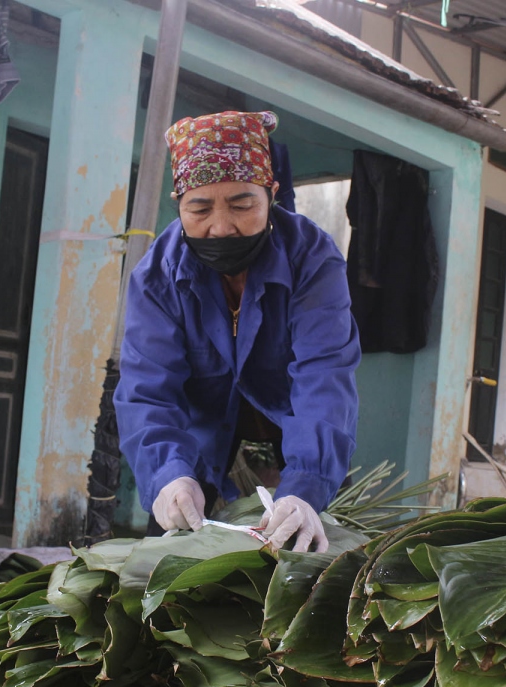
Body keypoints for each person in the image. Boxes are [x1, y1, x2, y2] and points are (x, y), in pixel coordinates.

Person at [114, 110, 361, 554]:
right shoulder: (157, 278)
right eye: (200, 208)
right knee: (174, 572)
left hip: (298, 445)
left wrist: (305, 487)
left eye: (243, 205)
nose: (221, 226)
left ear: (272, 196)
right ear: (178, 203)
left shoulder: (313, 261)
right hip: (199, 446)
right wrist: (169, 474)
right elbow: (147, 392)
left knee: (308, 561)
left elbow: (324, 377)